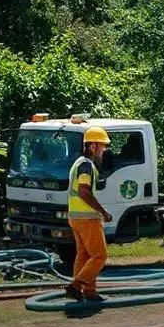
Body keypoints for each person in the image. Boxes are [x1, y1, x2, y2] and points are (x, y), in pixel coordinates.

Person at [64, 126, 113, 302]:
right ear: (92, 146)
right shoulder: (86, 165)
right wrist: (103, 211)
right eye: (102, 145)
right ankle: (76, 286)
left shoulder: (78, 163)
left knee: (84, 255)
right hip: (86, 218)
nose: (104, 149)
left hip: (75, 217)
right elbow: (84, 191)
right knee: (100, 255)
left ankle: (89, 291)